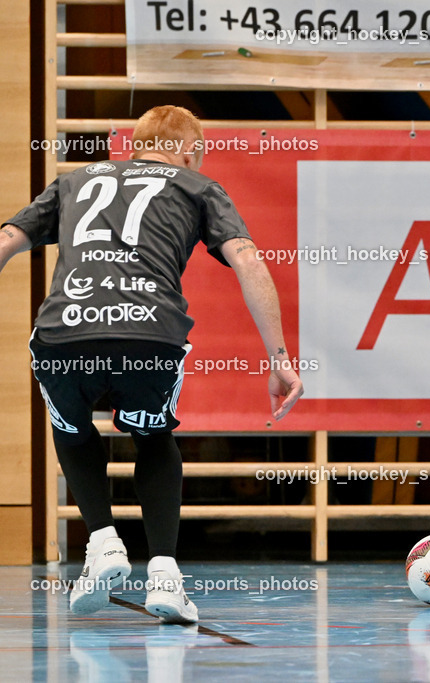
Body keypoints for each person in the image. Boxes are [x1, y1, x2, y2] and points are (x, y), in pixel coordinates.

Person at [0, 105, 303, 623]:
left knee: (70, 430)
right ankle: (164, 575)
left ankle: (102, 543)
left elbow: (7, 240)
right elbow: (249, 259)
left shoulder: (74, 180)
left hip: (65, 331)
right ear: (189, 149)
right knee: (154, 436)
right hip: (149, 336)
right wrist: (279, 359)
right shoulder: (197, 185)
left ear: (136, 143)